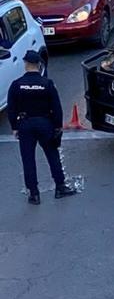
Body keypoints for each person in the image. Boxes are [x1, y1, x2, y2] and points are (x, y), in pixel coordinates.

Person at [6, 50, 76, 205]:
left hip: (25, 124)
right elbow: (56, 107)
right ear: (38, 65)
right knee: (52, 155)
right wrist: (57, 126)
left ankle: (34, 194)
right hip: (45, 123)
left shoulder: (17, 85)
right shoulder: (47, 84)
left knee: (28, 159)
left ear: (26, 65)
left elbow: (12, 108)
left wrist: (15, 127)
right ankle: (60, 187)